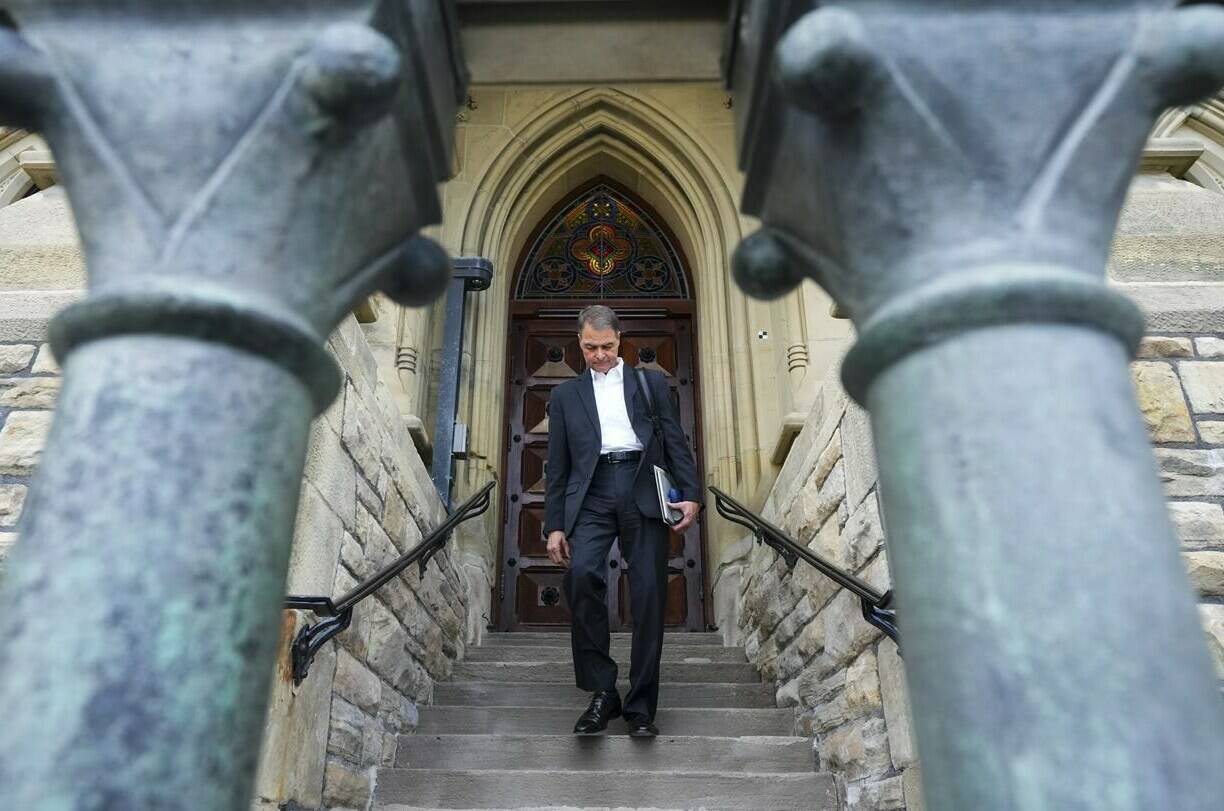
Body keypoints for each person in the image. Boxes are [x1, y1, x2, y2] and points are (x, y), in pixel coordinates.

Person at [543, 304, 702, 737]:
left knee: (650, 592)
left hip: (641, 484)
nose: (598, 355)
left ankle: (641, 708)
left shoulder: (650, 383)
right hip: (591, 491)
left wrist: (690, 495)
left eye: (606, 346)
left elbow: (675, 441)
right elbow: (556, 466)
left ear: (620, 340)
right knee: (580, 575)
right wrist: (554, 524)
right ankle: (602, 691)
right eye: (590, 347)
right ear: (579, 342)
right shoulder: (563, 397)